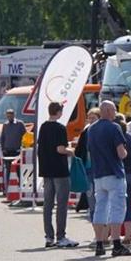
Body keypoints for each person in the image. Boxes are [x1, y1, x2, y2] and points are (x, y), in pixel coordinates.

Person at [85, 100, 131, 257]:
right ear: (107, 111)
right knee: (117, 208)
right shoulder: (114, 127)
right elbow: (121, 153)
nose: (115, 113)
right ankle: (116, 244)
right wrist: (126, 153)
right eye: (114, 110)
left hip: (98, 174)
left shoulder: (91, 129)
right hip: (114, 172)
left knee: (100, 208)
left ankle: (99, 244)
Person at [36, 101, 78, 248]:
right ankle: (61, 236)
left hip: (46, 170)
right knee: (61, 204)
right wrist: (71, 151)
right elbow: (60, 149)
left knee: (48, 204)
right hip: (59, 170)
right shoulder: (60, 128)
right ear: (59, 112)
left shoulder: (43, 127)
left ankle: (49, 236)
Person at [74, 107, 100, 218]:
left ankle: (99, 211)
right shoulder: (86, 131)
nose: (91, 120)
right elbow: (80, 149)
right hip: (88, 166)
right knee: (90, 190)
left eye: (93, 118)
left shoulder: (101, 130)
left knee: (99, 190)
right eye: (89, 118)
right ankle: (93, 211)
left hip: (100, 166)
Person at [0, 107, 27, 187]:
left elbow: (25, 136)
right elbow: (3, 138)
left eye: (10, 116)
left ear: (14, 115)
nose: (9, 117)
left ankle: (21, 187)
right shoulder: (5, 125)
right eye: (8, 116)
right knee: (8, 170)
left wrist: (23, 148)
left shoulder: (20, 124)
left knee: (18, 170)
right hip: (7, 152)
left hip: (17, 151)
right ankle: (9, 189)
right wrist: (3, 149)